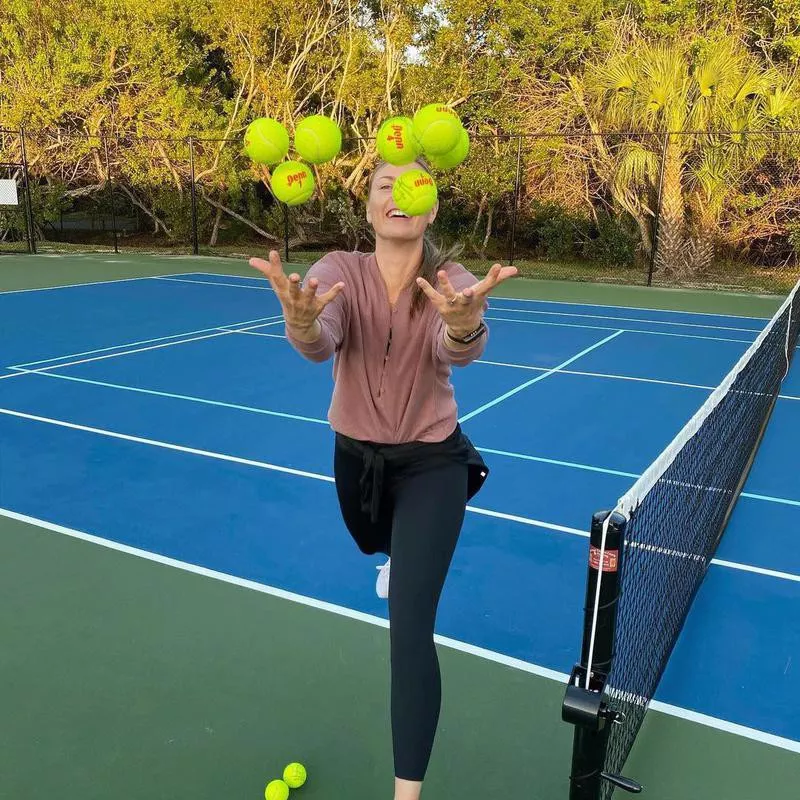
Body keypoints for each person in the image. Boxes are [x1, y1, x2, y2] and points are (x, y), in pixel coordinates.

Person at [250, 158, 518, 800]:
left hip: (434, 461)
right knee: (376, 541)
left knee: (409, 628)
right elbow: (322, 338)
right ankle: (396, 551)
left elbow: (455, 345)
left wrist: (462, 325)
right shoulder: (337, 272)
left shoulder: (447, 280)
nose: (397, 197)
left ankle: (406, 793)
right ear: (367, 205)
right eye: (383, 186)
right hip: (357, 461)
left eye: (413, 187)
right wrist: (302, 319)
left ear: (433, 208)